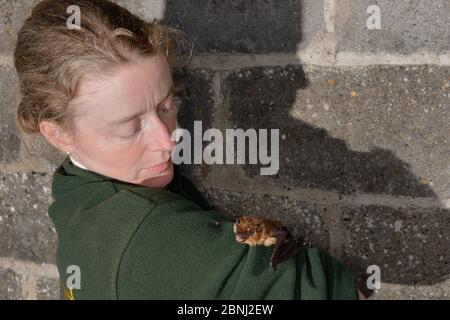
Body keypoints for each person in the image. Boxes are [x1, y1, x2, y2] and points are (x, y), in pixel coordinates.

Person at [14, 0, 361, 300]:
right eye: (130, 126)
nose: (170, 139)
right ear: (58, 135)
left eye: (167, 105)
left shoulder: (76, 195)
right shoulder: (150, 238)